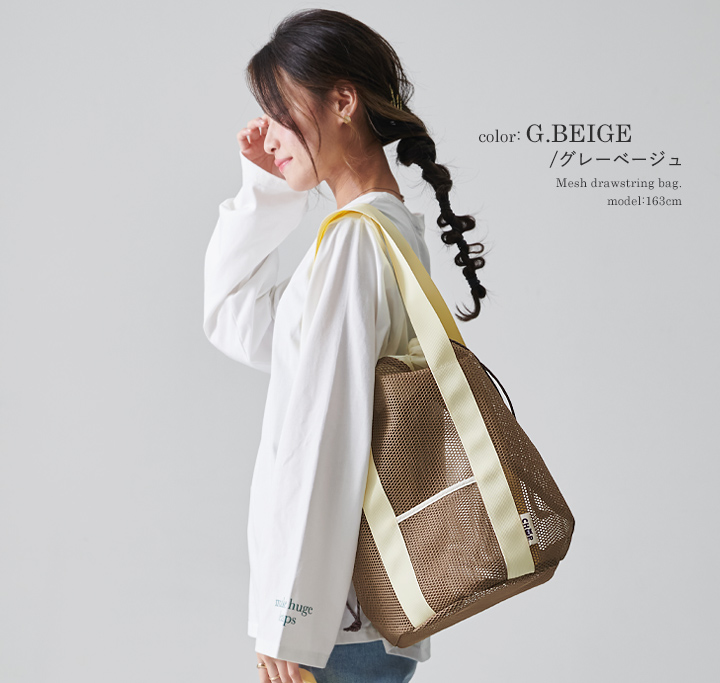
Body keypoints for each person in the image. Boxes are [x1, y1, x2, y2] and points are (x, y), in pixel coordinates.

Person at [203, 9, 486, 683]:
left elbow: (323, 434)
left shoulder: (356, 241)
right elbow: (236, 318)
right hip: (353, 620)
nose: (268, 133)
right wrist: (265, 191)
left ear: (342, 101)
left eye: (279, 112)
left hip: (333, 625)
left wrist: (289, 618)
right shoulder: (382, 230)